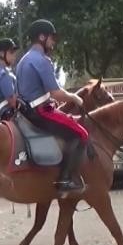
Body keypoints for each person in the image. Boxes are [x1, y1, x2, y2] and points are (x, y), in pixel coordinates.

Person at [16, 19, 87, 193]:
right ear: (42, 37)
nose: (53, 42)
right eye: (51, 38)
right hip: (40, 112)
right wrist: (76, 99)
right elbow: (56, 92)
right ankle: (65, 180)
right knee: (81, 134)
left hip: (28, 111)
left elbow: (37, 91)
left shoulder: (23, 61)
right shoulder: (41, 60)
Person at [0, 38, 20, 121]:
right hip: (9, 114)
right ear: (2, 54)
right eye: (11, 52)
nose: (14, 55)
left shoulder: (4, 72)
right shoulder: (3, 74)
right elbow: (12, 102)